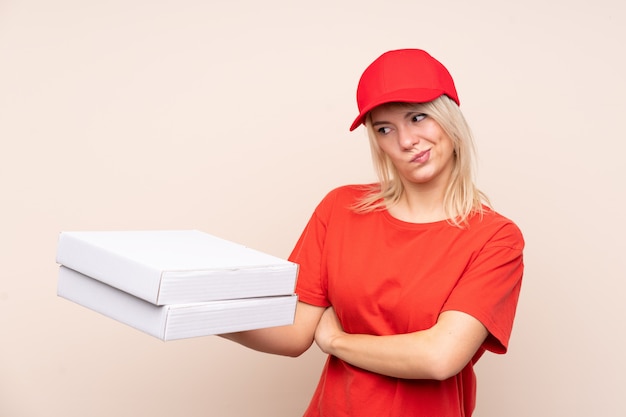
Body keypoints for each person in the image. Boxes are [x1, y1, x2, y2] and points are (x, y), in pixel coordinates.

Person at [222, 48, 524, 417]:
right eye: (385, 128)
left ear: (449, 116)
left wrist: (336, 341)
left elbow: (440, 357)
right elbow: (293, 333)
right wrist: (191, 311)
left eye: (418, 117)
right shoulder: (340, 209)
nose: (406, 140)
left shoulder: (495, 238)